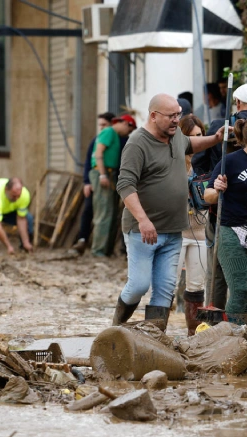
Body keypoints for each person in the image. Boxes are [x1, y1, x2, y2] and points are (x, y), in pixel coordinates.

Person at [112, 93, 223, 330]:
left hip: (174, 231)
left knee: (164, 291)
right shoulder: (137, 143)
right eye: (171, 116)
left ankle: (155, 342)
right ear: (153, 116)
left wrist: (216, 138)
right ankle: (117, 326)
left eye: (178, 115)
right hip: (144, 231)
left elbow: (192, 144)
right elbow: (125, 185)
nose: (176, 120)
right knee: (139, 285)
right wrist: (143, 220)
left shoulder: (176, 137)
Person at [204, 116, 247, 336]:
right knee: (239, 289)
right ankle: (223, 339)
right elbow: (208, 195)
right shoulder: (229, 161)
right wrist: (218, 187)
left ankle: (243, 338)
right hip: (231, 229)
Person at [178, 113, 210, 334]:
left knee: (197, 287)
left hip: (200, 233)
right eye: (192, 137)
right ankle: (156, 336)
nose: (197, 141)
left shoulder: (207, 162)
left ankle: (193, 334)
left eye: (200, 136)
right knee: (167, 287)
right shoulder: (174, 163)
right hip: (176, 232)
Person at [89, 116, 135, 257]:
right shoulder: (109, 132)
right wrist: (102, 174)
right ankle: (98, 251)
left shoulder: (113, 135)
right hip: (102, 173)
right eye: (129, 129)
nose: (128, 134)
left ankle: (106, 250)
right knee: (104, 213)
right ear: (125, 123)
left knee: (110, 212)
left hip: (109, 173)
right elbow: (98, 152)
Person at [73, 112, 116, 255]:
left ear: (111, 124)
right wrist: (87, 181)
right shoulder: (99, 139)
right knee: (90, 210)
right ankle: (85, 240)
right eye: (100, 125)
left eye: (104, 125)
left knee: (103, 212)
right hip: (98, 177)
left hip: (106, 176)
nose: (102, 128)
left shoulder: (111, 136)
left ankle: (98, 246)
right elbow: (89, 161)